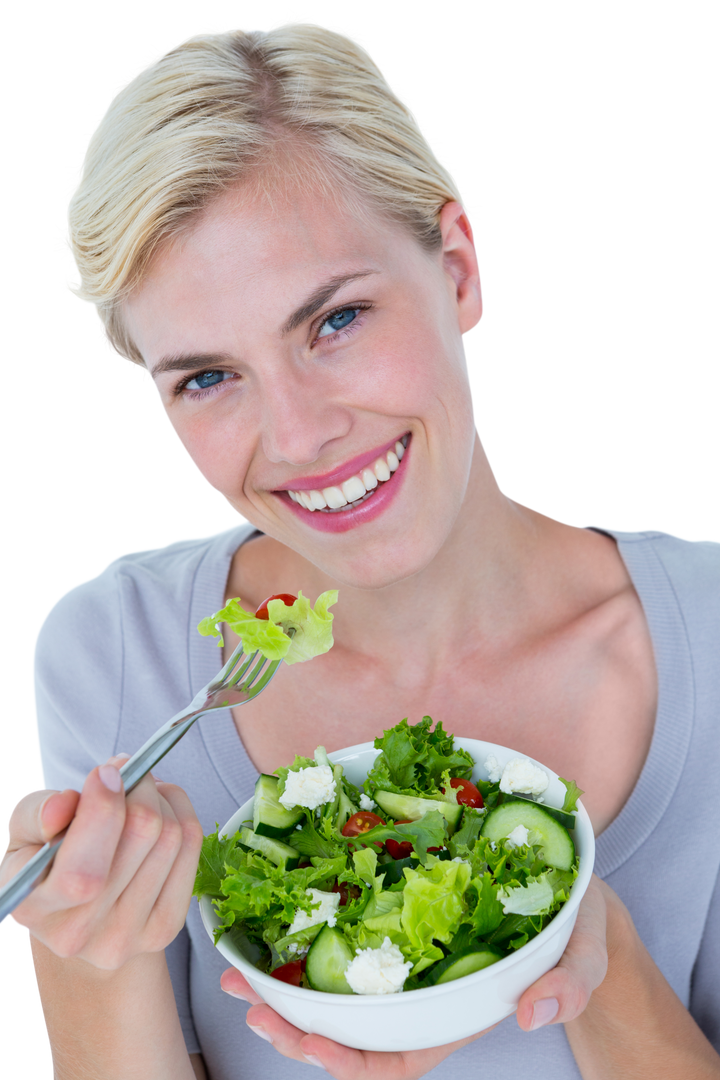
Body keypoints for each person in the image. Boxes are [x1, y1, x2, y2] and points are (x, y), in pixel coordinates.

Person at [3, 14, 719, 1080]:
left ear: (461, 269)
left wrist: (601, 971)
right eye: (206, 378)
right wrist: (88, 952)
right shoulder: (120, 652)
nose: (296, 437)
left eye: (335, 320)